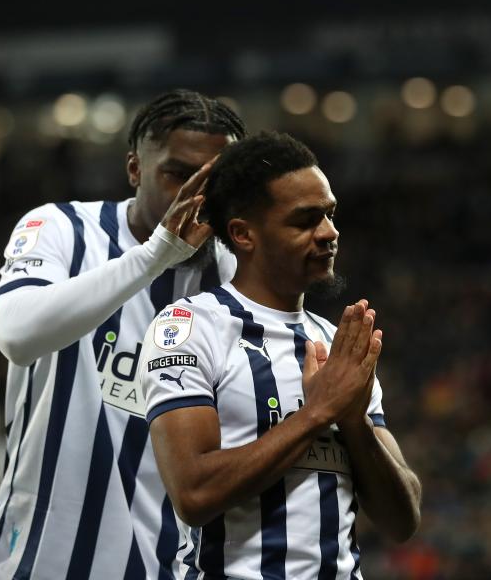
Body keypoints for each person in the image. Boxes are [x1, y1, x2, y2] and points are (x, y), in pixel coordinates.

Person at [0, 90, 246, 580]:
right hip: (36, 565)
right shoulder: (62, 228)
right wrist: (152, 257)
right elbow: (15, 333)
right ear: (135, 169)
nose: (197, 198)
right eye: (179, 174)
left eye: (217, 182)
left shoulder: (234, 282)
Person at [141, 131, 421, 579]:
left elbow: (402, 520)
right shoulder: (189, 329)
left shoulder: (336, 344)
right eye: (305, 220)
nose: (330, 233)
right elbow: (193, 493)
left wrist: (353, 421)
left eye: (330, 215)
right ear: (243, 234)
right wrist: (316, 415)